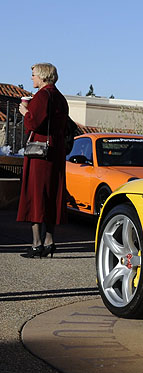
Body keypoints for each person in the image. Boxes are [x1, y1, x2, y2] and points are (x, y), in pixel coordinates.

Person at [17, 63, 69, 258]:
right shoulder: (60, 98)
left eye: (33, 75)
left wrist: (24, 111)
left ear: (42, 76)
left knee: (37, 195)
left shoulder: (42, 96)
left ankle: (36, 244)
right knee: (51, 195)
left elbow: (33, 122)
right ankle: (49, 241)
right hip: (56, 152)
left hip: (40, 153)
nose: (32, 78)